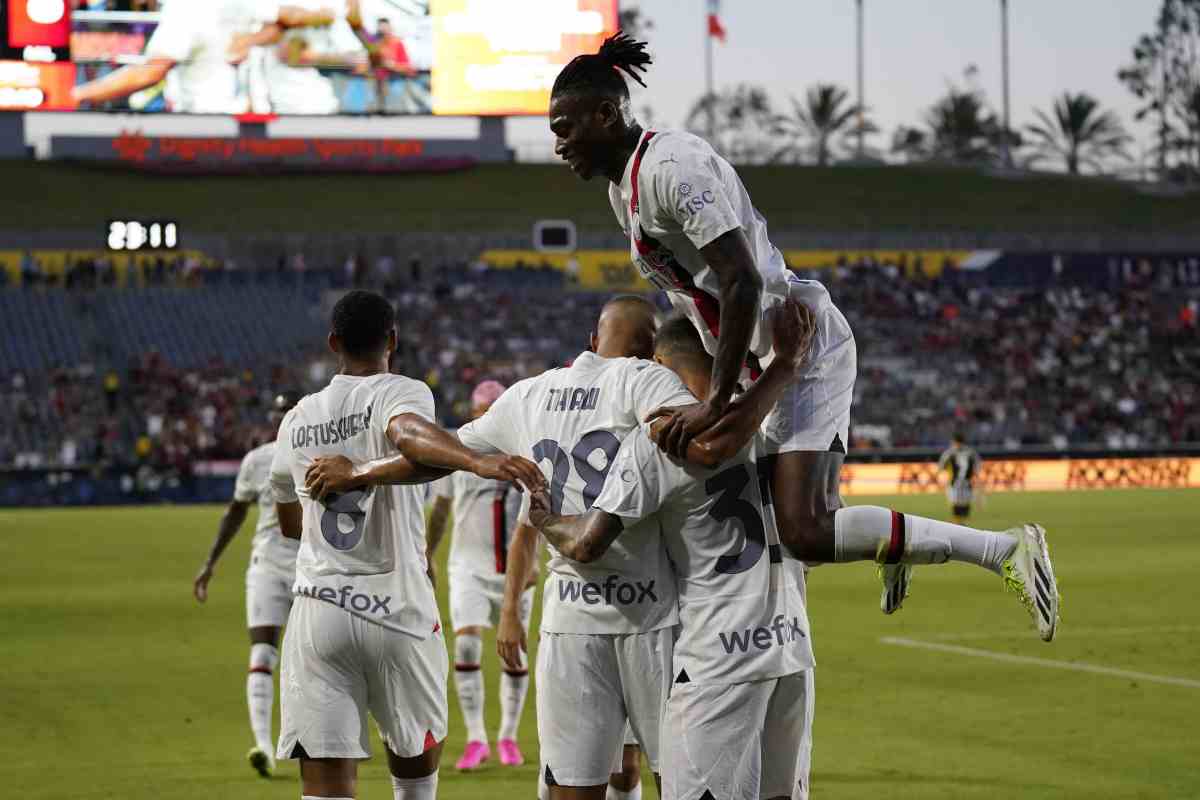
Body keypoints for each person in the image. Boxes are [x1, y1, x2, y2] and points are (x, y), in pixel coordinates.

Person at [546, 33, 1059, 639]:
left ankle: (1004, 548)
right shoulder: (624, 191)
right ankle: (893, 545)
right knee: (777, 528)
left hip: (800, 344)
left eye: (565, 128)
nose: (559, 145)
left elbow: (740, 278)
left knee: (804, 532)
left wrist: (714, 399)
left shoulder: (670, 166)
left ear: (606, 114)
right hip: (757, 360)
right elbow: (700, 293)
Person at [303, 296, 816, 800]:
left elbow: (438, 456)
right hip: (653, 620)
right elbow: (709, 444)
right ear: (650, 351)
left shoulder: (528, 395)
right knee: (677, 782)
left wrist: (360, 471)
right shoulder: (646, 378)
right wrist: (783, 369)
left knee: (573, 786)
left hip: (569, 623)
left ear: (592, 340)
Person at [267, 289, 543, 800]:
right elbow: (411, 435)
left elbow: (289, 522)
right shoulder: (399, 391)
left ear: (333, 343)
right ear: (392, 340)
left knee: (325, 786)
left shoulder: (296, 419)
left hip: (319, 610)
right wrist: (473, 460)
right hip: (396, 608)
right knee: (414, 777)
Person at [526, 314, 815, 800]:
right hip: (789, 647)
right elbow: (817, 539)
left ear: (658, 365)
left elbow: (585, 544)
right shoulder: (770, 422)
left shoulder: (658, 441)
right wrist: (784, 367)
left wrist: (544, 519)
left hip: (715, 655)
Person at [425, 381, 534, 770]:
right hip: (467, 566)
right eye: (481, 411)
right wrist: (428, 553)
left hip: (515, 570)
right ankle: (475, 739)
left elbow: (540, 509)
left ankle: (508, 736)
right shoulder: (456, 450)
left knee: (514, 654)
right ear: (472, 412)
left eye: (493, 411)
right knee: (468, 646)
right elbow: (441, 508)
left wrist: (535, 562)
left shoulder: (523, 449)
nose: (486, 418)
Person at [192, 391, 299, 779]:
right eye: (278, 413)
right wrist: (210, 563)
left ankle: (318, 739)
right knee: (263, 653)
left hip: (312, 568)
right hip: (267, 565)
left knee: (320, 656)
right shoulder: (257, 461)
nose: (282, 419)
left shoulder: (322, 453)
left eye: (288, 412)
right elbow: (235, 512)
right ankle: (264, 747)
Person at [72, 1, 335, 113]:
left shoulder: (188, 9)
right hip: (248, 124)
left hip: (204, 127)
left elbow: (150, 73)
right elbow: (283, 19)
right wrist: (249, 41)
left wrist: (78, 95)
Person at [939, 431, 982, 523]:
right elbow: (977, 466)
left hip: (955, 482)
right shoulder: (971, 452)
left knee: (956, 502)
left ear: (954, 441)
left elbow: (942, 466)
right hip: (966, 482)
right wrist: (976, 477)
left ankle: (958, 521)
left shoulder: (949, 453)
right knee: (965, 501)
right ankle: (963, 521)